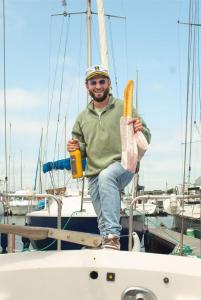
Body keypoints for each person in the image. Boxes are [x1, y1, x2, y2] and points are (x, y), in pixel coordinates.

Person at [67, 65, 151, 250]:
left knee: (107, 176)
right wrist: (75, 147)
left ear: (109, 84)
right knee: (102, 217)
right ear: (87, 86)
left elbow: (147, 134)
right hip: (94, 171)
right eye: (93, 82)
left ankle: (113, 236)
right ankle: (109, 244)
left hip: (124, 163)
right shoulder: (82, 117)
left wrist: (140, 128)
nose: (98, 86)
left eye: (102, 81)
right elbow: (80, 147)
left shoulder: (124, 107)